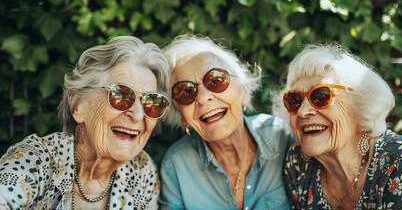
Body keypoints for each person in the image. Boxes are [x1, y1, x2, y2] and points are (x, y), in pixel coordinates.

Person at [0, 36, 170, 209]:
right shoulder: (36, 161)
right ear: (78, 106)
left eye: (151, 102)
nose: (138, 115)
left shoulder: (141, 171)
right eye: (120, 95)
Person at [272, 43, 402, 209]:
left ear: (359, 103)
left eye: (320, 95)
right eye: (295, 100)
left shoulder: (401, 161)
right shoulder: (297, 162)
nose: (303, 111)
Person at [159, 34, 295, 210]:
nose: (203, 97)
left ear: (244, 92)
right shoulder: (176, 165)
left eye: (216, 80)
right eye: (185, 92)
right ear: (182, 117)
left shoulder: (281, 136)